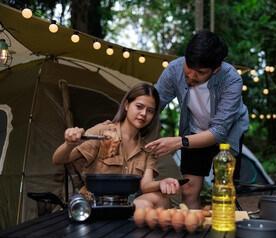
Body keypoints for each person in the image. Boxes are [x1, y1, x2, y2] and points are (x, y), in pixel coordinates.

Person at [145, 29, 250, 209]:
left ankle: (223, 233)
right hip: (193, 132)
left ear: (216, 68)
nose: (192, 76)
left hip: (227, 135)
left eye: (200, 72)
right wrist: (120, 123)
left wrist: (178, 142)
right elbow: (154, 104)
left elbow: (219, 132)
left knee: (223, 189)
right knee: (189, 189)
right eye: (189, 68)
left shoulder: (231, 79)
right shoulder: (174, 69)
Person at [52, 83, 180, 209]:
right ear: (126, 105)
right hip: (95, 202)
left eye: (150, 111)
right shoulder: (103, 133)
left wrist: (163, 182)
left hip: (124, 202)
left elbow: (146, 185)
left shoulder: (146, 150)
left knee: (162, 199)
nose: (143, 114)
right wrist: (69, 144)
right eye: (139, 107)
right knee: (144, 205)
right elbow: (57, 160)